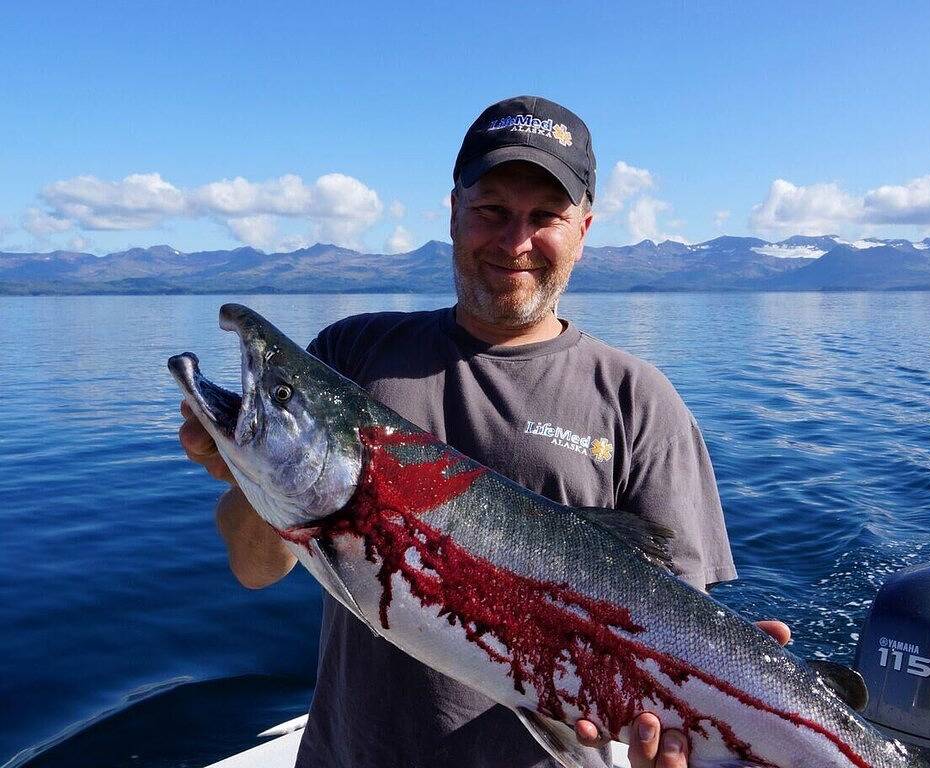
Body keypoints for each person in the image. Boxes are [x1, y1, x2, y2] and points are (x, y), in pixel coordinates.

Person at [179, 95, 790, 768]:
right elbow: (253, 567)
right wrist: (248, 466)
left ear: (583, 231)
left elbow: (680, 623)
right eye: (492, 210)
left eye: (545, 217)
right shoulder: (352, 355)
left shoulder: (640, 402)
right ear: (452, 213)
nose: (515, 241)